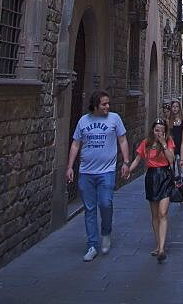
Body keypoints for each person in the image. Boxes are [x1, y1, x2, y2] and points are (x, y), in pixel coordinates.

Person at [66, 90, 130, 261]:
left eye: (108, 103)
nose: (107, 107)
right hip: (86, 172)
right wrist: (70, 166)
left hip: (107, 171)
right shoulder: (83, 121)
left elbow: (122, 140)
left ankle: (106, 231)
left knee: (106, 203)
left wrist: (126, 162)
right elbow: (75, 144)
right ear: (95, 105)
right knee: (90, 209)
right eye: (104, 104)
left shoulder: (114, 119)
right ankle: (92, 245)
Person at [127, 117, 176, 262]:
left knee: (163, 212)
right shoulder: (146, 143)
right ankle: (158, 244)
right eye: (156, 130)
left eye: (162, 131)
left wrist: (163, 144)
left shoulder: (168, 142)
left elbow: (171, 160)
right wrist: (129, 170)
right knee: (155, 214)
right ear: (152, 130)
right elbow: (137, 159)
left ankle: (161, 249)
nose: (159, 133)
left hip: (165, 176)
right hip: (152, 177)